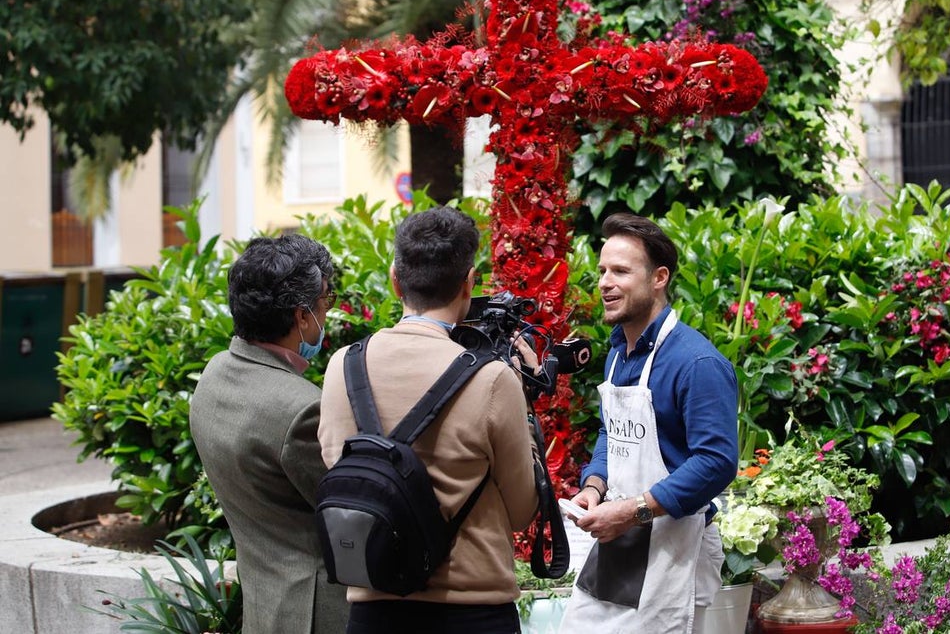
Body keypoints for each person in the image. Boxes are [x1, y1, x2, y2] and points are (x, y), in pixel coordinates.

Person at [318, 206, 540, 634]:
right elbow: (521, 510)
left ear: (394, 278)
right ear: (469, 283)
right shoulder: (494, 379)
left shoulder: (342, 366)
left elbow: (339, 467)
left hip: (374, 610)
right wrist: (525, 404)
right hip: (473, 613)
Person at [559, 212, 739, 633]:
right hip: (622, 539)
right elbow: (612, 429)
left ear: (659, 278)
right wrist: (594, 485)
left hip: (676, 547)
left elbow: (716, 462)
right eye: (602, 270)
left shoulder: (697, 363)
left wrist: (631, 510)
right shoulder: (619, 351)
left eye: (620, 271)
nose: (605, 282)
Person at [190, 233, 349, 634]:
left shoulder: (215, 375)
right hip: (314, 613)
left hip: (264, 604)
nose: (326, 313)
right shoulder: (301, 408)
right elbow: (351, 510)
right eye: (325, 301)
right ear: (301, 316)